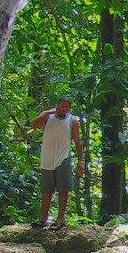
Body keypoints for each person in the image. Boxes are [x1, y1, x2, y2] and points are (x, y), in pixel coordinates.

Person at [30, 94, 84, 229]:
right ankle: (43, 219)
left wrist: (81, 161)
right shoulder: (48, 116)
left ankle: (60, 219)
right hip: (47, 158)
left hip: (63, 157)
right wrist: (48, 112)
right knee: (46, 190)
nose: (64, 109)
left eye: (67, 107)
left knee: (63, 189)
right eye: (63, 106)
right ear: (58, 105)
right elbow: (34, 125)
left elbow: (77, 141)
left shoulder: (72, 121)